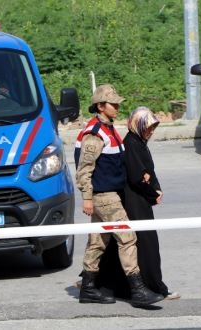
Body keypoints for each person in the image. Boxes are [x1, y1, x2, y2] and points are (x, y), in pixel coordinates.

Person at [75, 84, 163, 307]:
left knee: (98, 242)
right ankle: (138, 290)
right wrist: (87, 198)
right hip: (104, 195)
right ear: (100, 106)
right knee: (127, 238)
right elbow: (84, 169)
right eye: (113, 104)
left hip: (108, 194)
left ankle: (88, 288)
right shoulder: (95, 134)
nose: (117, 107)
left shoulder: (108, 129)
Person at [123, 106, 180, 300]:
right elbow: (138, 177)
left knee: (145, 243)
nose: (151, 131)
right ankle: (154, 287)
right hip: (135, 201)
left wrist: (153, 187)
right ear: (137, 125)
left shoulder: (138, 142)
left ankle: (151, 285)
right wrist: (151, 192)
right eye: (148, 127)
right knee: (146, 245)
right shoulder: (131, 143)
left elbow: (147, 173)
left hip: (140, 199)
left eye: (153, 128)